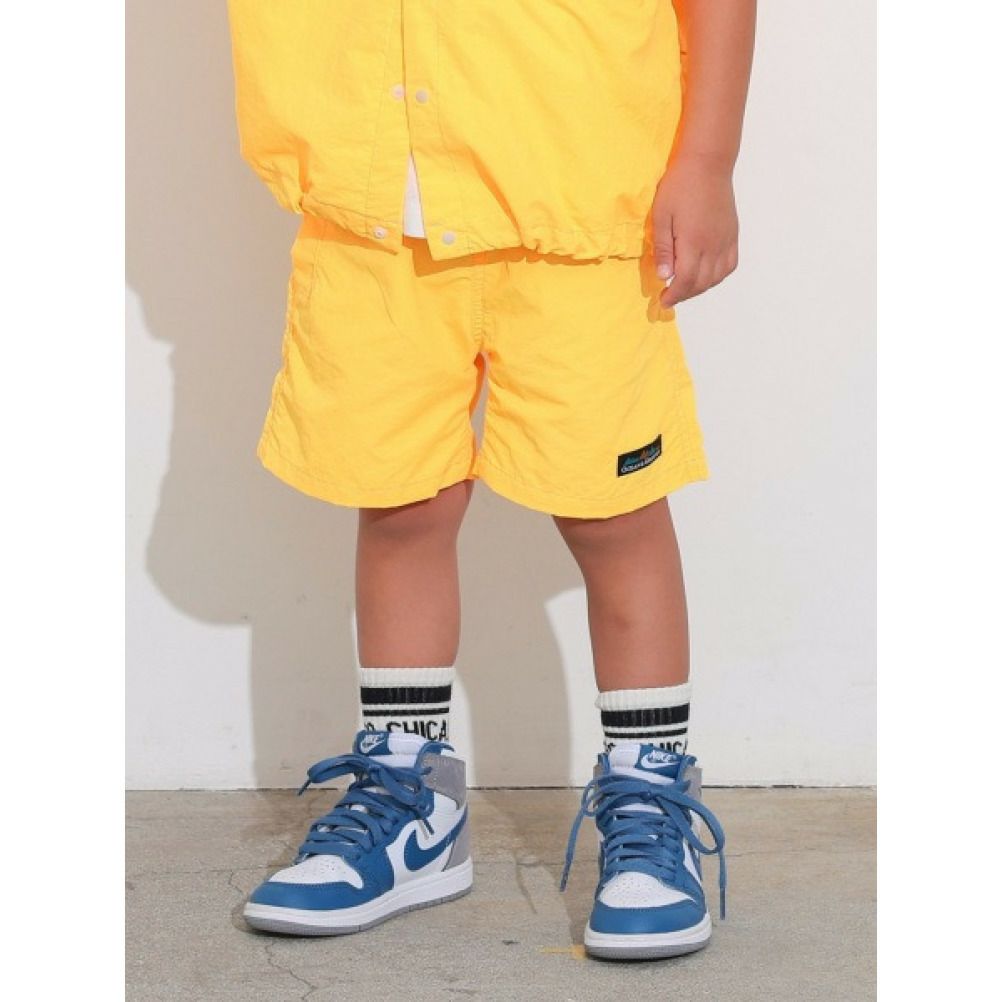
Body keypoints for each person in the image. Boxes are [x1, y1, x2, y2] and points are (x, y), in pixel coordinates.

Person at [227, 0, 755, 960]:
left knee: (611, 512)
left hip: (574, 193)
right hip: (367, 199)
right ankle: (411, 797)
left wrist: (707, 160)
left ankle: (649, 793)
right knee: (400, 499)